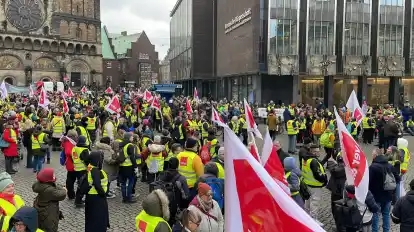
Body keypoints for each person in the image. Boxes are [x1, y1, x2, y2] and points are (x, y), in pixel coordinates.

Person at [369, 148, 399, 232]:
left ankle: (374, 230)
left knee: (375, 215)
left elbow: (368, 182)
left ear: (375, 156)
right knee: (386, 215)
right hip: (388, 196)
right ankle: (386, 230)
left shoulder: (373, 167)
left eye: (372, 154)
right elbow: (398, 178)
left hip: (376, 197)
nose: (372, 155)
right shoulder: (389, 165)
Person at [32, 168, 66, 232]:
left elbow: (54, 186)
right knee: (50, 228)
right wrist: (64, 189)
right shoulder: (49, 190)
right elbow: (62, 195)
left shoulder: (39, 185)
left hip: (42, 213)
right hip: (48, 215)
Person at [160, 157, 190, 226]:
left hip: (162, 204)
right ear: (177, 166)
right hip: (175, 207)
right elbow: (186, 196)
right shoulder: (181, 178)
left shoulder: (161, 175)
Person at [84, 151, 110, 232]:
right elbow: (97, 184)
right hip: (97, 198)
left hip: (90, 197)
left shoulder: (89, 167)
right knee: (99, 219)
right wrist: (102, 194)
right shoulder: (96, 170)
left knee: (91, 218)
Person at [302, 144, 327, 225]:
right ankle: (313, 220)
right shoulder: (313, 161)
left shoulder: (305, 159)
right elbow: (317, 174)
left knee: (308, 201)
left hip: (307, 183)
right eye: (317, 151)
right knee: (314, 203)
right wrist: (324, 179)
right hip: (315, 185)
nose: (319, 152)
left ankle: (306, 217)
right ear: (313, 152)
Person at [118, 132, 137, 203]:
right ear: (129, 137)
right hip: (129, 166)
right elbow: (132, 157)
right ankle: (129, 198)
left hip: (122, 166)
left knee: (123, 183)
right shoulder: (130, 145)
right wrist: (135, 167)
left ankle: (124, 198)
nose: (132, 138)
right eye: (132, 137)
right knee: (131, 182)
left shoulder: (121, 144)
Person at [71, 135, 90, 207]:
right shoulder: (84, 149)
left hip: (76, 168)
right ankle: (78, 201)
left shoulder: (74, 148)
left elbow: (74, 157)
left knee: (80, 184)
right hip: (83, 169)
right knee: (82, 185)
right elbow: (87, 161)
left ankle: (78, 199)